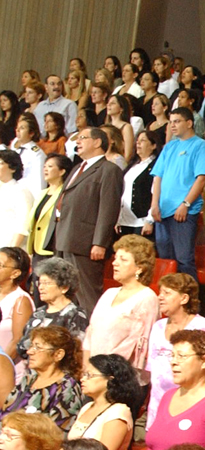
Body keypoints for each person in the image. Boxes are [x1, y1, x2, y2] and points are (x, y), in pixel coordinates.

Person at [53, 126, 123, 313]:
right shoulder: (77, 167)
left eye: (83, 137)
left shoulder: (109, 170)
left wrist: (100, 243)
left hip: (86, 242)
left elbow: (108, 209)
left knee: (87, 296)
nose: (78, 141)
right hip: (64, 238)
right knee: (67, 297)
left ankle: (93, 337)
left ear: (98, 142)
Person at [145, 273, 205, 427]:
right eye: (160, 292)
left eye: (167, 293)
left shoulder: (202, 328)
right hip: (156, 412)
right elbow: (152, 372)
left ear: (184, 299)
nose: (160, 297)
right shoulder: (158, 327)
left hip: (188, 411)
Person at [68, 354, 141, 450]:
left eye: (89, 375)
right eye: (83, 374)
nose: (83, 379)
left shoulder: (118, 412)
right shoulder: (87, 407)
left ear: (110, 379)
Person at [150, 108, 205, 279]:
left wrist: (185, 204)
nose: (172, 125)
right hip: (163, 211)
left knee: (184, 259)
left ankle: (190, 302)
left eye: (177, 121)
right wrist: (154, 204)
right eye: (171, 122)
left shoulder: (201, 146)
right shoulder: (169, 147)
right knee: (165, 258)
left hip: (184, 212)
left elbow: (201, 179)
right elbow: (157, 177)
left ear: (189, 123)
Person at [81, 234, 159, 369]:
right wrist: (87, 367)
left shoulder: (147, 298)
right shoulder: (109, 293)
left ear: (139, 268)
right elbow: (90, 333)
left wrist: (105, 372)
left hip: (121, 376)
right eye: (116, 258)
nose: (114, 263)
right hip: (93, 373)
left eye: (123, 259)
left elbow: (138, 346)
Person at [3, 326, 83, 429]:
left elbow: (56, 434)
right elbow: (5, 413)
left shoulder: (67, 389)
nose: (29, 352)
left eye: (38, 348)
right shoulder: (28, 379)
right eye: (31, 346)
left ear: (58, 354)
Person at [118, 130, 160, 238]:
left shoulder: (156, 166)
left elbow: (156, 193)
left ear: (153, 145)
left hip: (142, 221)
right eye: (137, 141)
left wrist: (149, 220)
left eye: (143, 141)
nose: (138, 143)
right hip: (124, 220)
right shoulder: (132, 165)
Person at [0, 247, 32, 361]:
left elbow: (18, 340)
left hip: (8, 368)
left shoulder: (21, 300)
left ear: (15, 273)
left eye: (0, 265)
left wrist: (3, 366)